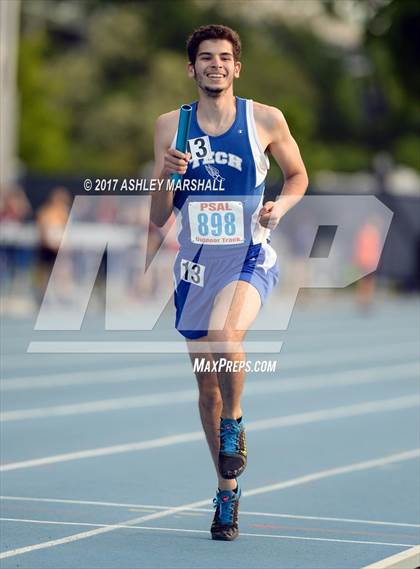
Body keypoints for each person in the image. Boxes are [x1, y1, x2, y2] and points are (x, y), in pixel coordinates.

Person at [150, 24, 308, 541]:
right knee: (205, 389)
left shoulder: (264, 118)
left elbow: (298, 175)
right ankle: (226, 493)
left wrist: (280, 204)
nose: (214, 65)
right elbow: (157, 217)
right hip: (196, 268)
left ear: (236, 67)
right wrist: (164, 177)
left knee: (226, 337)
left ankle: (236, 421)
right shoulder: (170, 126)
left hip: (248, 256)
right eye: (205, 58)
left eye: (224, 57)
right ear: (191, 68)